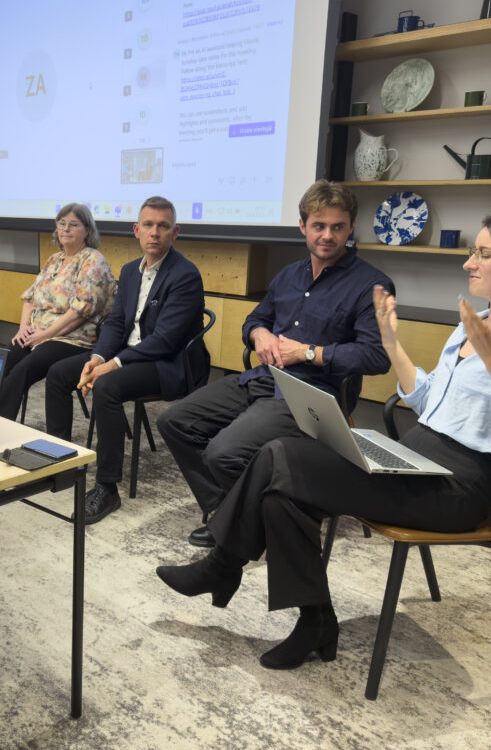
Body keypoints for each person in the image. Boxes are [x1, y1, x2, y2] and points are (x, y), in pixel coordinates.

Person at [156, 208, 491, 672]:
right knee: (281, 498)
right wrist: (393, 344)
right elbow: (429, 400)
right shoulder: (471, 324)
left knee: (279, 455)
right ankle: (315, 622)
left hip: (461, 488)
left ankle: (223, 564)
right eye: (473, 252)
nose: (469, 263)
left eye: (483, 253)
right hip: (417, 459)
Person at [157, 180, 393, 548]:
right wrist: (260, 335)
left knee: (224, 452)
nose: (327, 235)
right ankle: (233, 515)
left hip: (313, 395)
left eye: (337, 227)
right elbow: (254, 319)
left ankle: (240, 524)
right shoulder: (289, 275)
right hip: (263, 378)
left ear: (351, 228)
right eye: (319, 226)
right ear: (303, 227)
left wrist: (309, 353)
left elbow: (377, 357)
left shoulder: (372, 285)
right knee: (174, 421)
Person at [45, 196, 210, 524]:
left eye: (163, 226)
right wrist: (97, 356)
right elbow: (118, 323)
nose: (155, 233)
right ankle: (60, 461)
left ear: (174, 232)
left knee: (106, 385)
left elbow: (164, 341)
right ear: (136, 230)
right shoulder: (130, 272)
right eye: (148, 225)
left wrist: (111, 365)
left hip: (169, 364)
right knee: (58, 374)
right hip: (128, 357)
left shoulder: (185, 275)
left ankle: (107, 488)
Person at [0, 203, 115, 420]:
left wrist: (46, 334)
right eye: (62, 224)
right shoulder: (54, 259)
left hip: (74, 339)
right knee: (3, 362)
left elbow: (80, 311)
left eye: (73, 225)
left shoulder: (92, 260)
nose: (66, 229)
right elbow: (30, 297)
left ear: (87, 230)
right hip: (40, 334)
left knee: (22, 371)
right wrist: (23, 328)